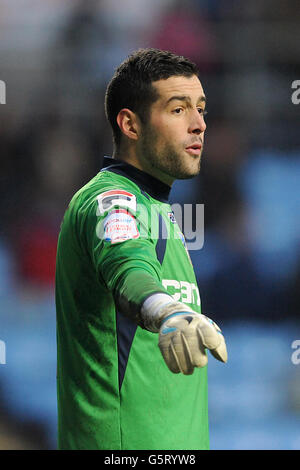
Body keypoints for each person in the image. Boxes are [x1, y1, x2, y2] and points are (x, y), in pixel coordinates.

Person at [56, 48, 227, 451]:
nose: (200, 125)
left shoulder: (157, 209)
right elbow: (129, 270)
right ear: (130, 124)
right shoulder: (113, 200)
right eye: (178, 110)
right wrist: (168, 312)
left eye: (201, 109)